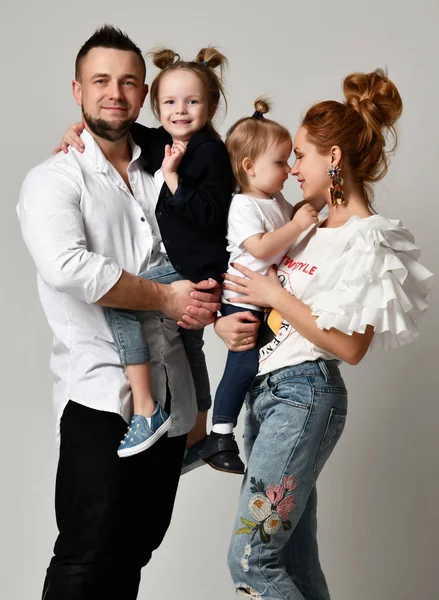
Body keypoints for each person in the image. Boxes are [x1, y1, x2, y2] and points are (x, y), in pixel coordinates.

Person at [17, 26, 220, 600]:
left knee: (135, 551)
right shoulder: (53, 180)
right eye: (101, 81)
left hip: (172, 397)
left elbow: (212, 229)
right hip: (100, 398)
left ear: (145, 93)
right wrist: (165, 297)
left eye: (129, 82)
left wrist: (208, 301)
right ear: (77, 90)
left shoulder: (168, 165)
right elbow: (68, 268)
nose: (116, 93)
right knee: (87, 554)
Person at [214, 69, 433, 599]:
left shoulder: (368, 240)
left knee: (251, 560)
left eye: (303, 157)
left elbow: (351, 347)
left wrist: (277, 298)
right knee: (293, 560)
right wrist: (228, 322)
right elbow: (256, 288)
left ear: (332, 158)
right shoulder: (305, 226)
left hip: (305, 396)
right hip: (265, 395)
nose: (291, 170)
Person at [56, 46, 234, 463]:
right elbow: (117, 129)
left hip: (196, 266)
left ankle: (147, 409)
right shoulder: (165, 142)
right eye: (170, 103)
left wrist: (172, 180)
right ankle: (200, 433)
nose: (180, 112)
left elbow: (211, 213)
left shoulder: (208, 152)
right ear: (155, 105)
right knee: (192, 349)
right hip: (192, 266)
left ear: (210, 107)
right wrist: (76, 129)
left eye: (192, 102)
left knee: (121, 300)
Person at [199, 98, 318, 474]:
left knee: (262, 362)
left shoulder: (275, 200)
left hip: (267, 298)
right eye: (281, 162)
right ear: (249, 167)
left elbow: (298, 215)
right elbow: (264, 247)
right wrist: (299, 225)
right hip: (243, 301)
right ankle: (219, 434)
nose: (288, 170)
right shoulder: (243, 206)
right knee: (244, 361)